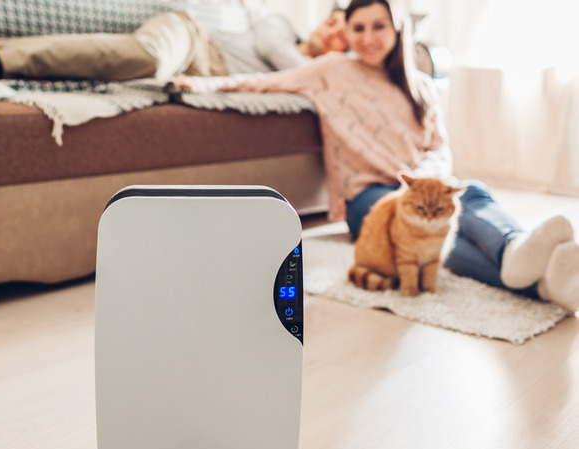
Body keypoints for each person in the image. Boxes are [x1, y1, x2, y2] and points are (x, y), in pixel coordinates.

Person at [174, 0, 579, 313]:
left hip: (420, 183)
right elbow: (264, 82)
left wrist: (426, 180)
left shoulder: (420, 86)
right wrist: (200, 83)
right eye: (358, 28)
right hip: (370, 196)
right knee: (417, 234)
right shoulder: (330, 69)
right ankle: (519, 258)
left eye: (378, 26)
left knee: (471, 192)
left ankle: (530, 267)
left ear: (397, 27)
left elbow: (440, 148)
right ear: (348, 32)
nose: (368, 37)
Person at [0, 8, 348, 84]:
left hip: (201, 75)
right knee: (149, 60)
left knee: (149, 70)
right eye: (333, 23)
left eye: (341, 37)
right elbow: (273, 48)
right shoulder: (281, 27)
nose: (331, 33)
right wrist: (323, 66)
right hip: (192, 39)